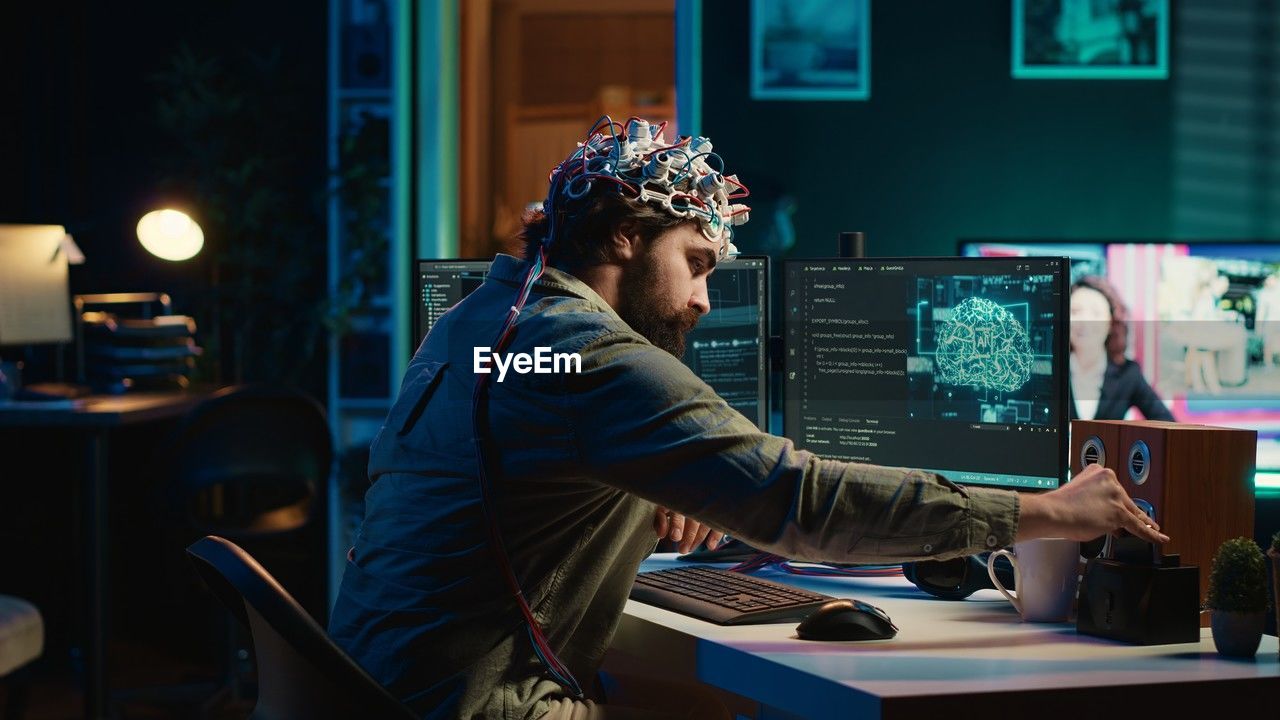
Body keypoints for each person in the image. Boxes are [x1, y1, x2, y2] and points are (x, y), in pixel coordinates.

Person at [328, 118, 1167, 720]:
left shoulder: (477, 328)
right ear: (623, 235)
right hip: (483, 706)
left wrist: (630, 486)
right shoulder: (589, 355)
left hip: (371, 683)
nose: (702, 298)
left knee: (695, 699)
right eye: (695, 263)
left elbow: (511, 449)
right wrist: (1047, 512)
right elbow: (798, 501)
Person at [1068, 275, 1173, 421]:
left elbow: (1168, 423)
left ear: (1111, 322)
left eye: (1096, 313)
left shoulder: (1128, 374)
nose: (1085, 320)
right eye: (1075, 311)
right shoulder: (1047, 372)